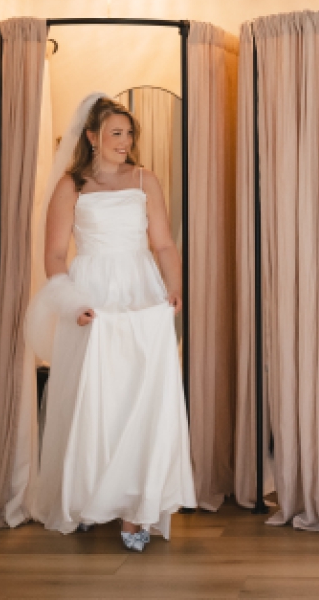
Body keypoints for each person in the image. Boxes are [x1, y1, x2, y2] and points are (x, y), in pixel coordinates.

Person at [26, 94, 194, 552]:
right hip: (93, 294)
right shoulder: (71, 186)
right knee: (96, 398)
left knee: (144, 395)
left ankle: (135, 510)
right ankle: (89, 499)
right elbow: (55, 255)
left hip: (141, 292)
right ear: (92, 137)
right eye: (116, 133)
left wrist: (174, 287)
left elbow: (162, 244)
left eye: (129, 133)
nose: (126, 141)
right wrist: (70, 303)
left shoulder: (145, 179)